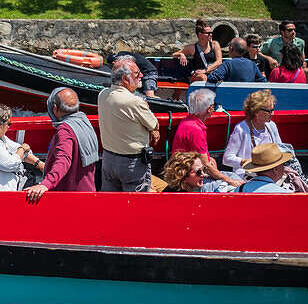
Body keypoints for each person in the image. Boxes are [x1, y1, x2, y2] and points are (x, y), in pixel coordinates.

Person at [97, 56, 160, 192]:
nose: (141, 75)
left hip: (108, 159)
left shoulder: (102, 95)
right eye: (137, 73)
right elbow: (154, 124)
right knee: (136, 205)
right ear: (125, 79)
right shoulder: (134, 102)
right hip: (132, 163)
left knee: (112, 203)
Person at [24, 87, 98, 201]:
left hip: (70, 198)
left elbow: (63, 160)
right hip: (88, 191)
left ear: (54, 108)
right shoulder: (84, 121)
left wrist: (46, 184)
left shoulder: (65, 130)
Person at [171, 89, 245, 188]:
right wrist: (230, 181)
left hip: (186, 175)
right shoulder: (196, 130)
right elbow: (207, 168)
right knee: (234, 184)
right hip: (191, 180)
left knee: (233, 176)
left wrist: (209, 160)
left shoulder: (188, 121)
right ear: (209, 109)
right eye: (213, 105)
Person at [0, 104, 43, 190]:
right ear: (0, 125)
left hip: (15, 182)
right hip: (1, 189)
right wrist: (22, 149)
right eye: (8, 123)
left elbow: (18, 149)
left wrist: (39, 164)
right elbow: (10, 165)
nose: (8, 126)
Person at [223, 89, 288, 177]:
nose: (272, 113)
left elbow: (280, 149)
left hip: (271, 173)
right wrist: (247, 163)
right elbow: (227, 159)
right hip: (247, 174)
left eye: (273, 109)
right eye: (268, 111)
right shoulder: (241, 129)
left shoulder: (272, 126)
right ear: (256, 112)